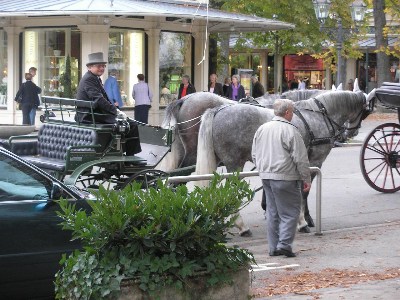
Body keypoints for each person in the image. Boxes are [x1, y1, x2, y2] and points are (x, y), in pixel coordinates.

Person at [251, 98, 311, 258]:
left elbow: (254, 154)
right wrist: (306, 178)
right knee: (290, 212)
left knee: (272, 213)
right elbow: (300, 158)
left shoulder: (262, 129)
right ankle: (284, 244)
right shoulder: (290, 130)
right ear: (287, 113)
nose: (293, 114)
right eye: (292, 111)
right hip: (286, 176)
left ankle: (273, 247)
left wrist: (262, 169)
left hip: (266, 176)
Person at [75, 52, 141, 156]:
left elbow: (102, 99)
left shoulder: (93, 78)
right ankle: (130, 157)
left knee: (126, 122)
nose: (101, 68)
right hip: (89, 116)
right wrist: (115, 111)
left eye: (103, 66)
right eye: (98, 66)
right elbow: (99, 100)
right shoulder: (89, 79)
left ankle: (118, 150)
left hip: (92, 114)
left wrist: (116, 110)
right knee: (131, 125)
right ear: (89, 67)